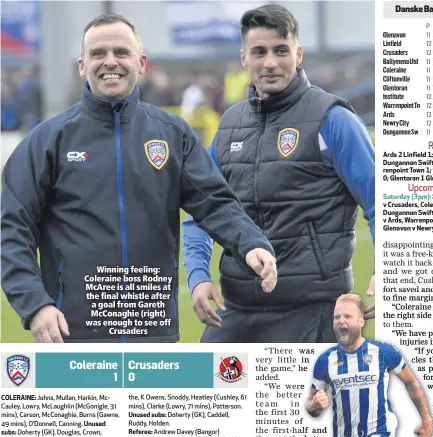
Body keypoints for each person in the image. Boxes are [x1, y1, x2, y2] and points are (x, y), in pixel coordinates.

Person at [1, 13, 278, 343]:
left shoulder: (173, 135)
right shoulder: (48, 140)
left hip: (153, 335)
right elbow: (12, 228)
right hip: (71, 334)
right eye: (98, 54)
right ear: (81, 65)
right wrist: (36, 305)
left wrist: (249, 243)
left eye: (121, 52)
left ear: (141, 62)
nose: (110, 62)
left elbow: (215, 203)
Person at [182, 4, 375, 343]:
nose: (270, 62)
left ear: (297, 54)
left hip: (311, 312)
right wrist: (198, 276)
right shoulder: (228, 126)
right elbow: (201, 211)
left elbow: (381, 204)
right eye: (259, 52)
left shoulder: (333, 120)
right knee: (201, 393)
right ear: (244, 59)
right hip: (238, 310)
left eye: (280, 50)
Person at [306, 294, 433, 437]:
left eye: (347, 316)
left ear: (361, 320)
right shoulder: (325, 360)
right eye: (337, 317)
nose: (341, 321)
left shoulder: (382, 352)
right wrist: (314, 406)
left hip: (379, 432)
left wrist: (426, 418)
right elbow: (311, 404)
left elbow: (411, 383)